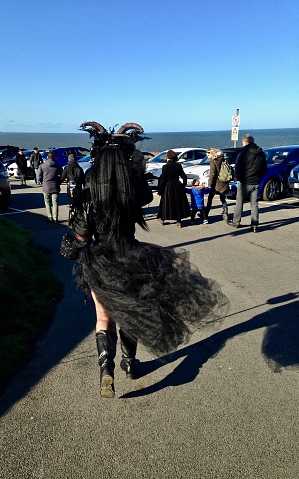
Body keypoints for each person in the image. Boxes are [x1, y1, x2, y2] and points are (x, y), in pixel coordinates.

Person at [66, 121, 229, 398]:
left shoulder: (86, 197)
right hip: (134, 259)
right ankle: (130, 364)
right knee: (131, 314)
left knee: (103, 318)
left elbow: (78, 241)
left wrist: (72, 247)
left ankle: (107, 370)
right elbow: (143, 188)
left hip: (100, 263)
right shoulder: (133, 194)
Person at [228, 134, 267, 232]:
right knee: (254, 205)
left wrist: (238, 178)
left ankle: (236, 222)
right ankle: (254, 225)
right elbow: (264, 168)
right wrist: (259, 177)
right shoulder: (261, 153)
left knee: (239, 203)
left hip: (245, 181)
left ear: (245, 142)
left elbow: (238, 167)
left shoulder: (244, 153)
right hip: (256, 181)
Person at [157, 150, 190, 227]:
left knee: (166, 203)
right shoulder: (178, 166)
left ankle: (163, 219)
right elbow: (184, 176)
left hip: (168, 186)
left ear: (168, 157)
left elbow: (163, 179)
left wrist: (160, 190)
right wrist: (183, 185)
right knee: (178, 203)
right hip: (177, 185)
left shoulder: (165, 167)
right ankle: (179, 221)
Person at [205, 148, 230, 222]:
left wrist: (209, 184)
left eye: (208, 155)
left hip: (216, 183)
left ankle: (206, 214)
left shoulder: (213, 161)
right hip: (223, 181)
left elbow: (212, 174)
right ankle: (225, 213)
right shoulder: (222, 159)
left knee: (210, 199)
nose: (207, 157)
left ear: (212, 153)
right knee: (222, 198)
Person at [38, 152, 63, 223]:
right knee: (55, 202)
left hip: (46, 185)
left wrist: (41, 181)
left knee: (47, 201)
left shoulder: (42, 166)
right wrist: (59, 181)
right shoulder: (57, 165)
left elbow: (39, 175)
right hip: (55, 185)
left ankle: (49, 216)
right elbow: (62, 174)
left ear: (47, 157)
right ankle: (55, 218)